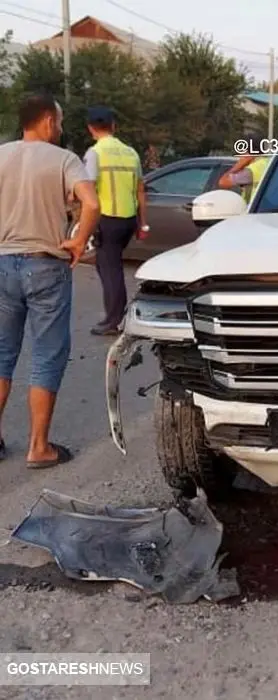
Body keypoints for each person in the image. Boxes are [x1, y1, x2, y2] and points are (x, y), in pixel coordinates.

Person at [0, 93, 100, 467]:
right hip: (45, 265)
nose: (59, 128)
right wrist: (77, 239)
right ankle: (39, 447)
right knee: (46, 354)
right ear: (45, 121)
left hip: (3, 262)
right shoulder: (64, 159)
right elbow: (91, 204)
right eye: (57, 121)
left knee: (1, 354)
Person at [84, 106, 146, 336]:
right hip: (128, 219)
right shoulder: (131, 153)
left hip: (107, 218)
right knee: (113, 267)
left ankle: (113, 320)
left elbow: (88, 189)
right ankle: (116, 316)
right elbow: (141, 190)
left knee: (109, 270)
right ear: (114, 126)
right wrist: (142, 222)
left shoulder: (95, 153)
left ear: (91, 128)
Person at [218, 135, 270, 203]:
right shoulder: (268, 162)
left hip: (253, 210)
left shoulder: (250, 171)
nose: (240, 155)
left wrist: (237, 166)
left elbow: (223, 183)